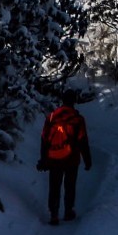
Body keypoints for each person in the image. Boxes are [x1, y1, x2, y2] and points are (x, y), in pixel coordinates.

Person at [35, 91, 92, 225]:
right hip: (72, 159)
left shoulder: (51, 117)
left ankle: (54, 214)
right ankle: (68, 212)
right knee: (69, 185)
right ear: (74, 101)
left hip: (54, 158)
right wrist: (87, 160)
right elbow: (83, 141)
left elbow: (44, 140)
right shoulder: (78, 119)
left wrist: (44, 159)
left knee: (54, 185)